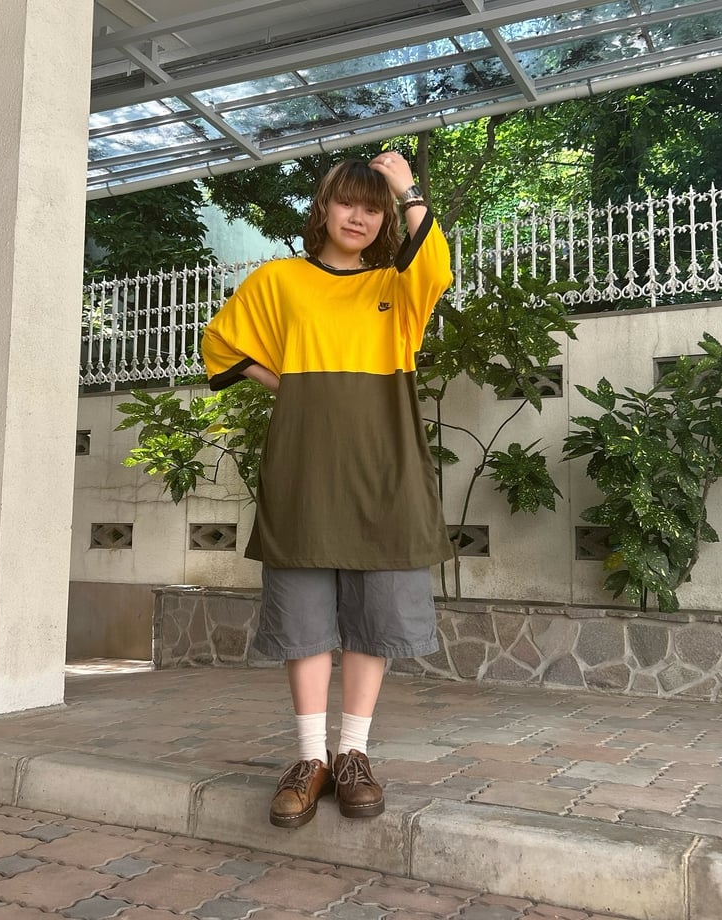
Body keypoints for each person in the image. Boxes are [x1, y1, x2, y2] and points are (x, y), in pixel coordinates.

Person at [201, 153, 453, 828]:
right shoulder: (279, 280)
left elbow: (436, 267)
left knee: (375, 613)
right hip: (304, 468)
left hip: (386, 469)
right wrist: (289, 383)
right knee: (303, 617)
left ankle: (354, 755)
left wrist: (407, 188)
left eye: (373, 207)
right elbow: (221, 343)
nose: (359, 217)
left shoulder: (397, 286)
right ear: (324, 208)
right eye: (348, 203)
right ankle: (311, 758)